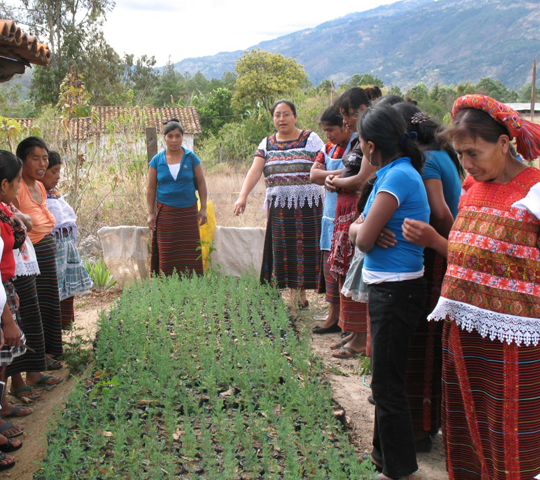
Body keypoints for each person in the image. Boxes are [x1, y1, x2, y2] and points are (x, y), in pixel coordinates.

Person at [402, 95, 540, 480]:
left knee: (510, 429)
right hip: (464, 332)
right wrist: (434, 241)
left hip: (516, 341)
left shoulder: (536, 192)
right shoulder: (472, 187)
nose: (467, 163)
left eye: (474, 153)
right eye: (460, 154)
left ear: (503, 143)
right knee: (465, 423)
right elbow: (467, 255)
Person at [349, 105, 430, 480]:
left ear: (368, 146)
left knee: (387, 385)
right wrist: (360, 229)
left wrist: (360, 230)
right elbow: (362, 230)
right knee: (385, 380)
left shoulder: (397, 177)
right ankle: (384, 459)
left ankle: (398, 471)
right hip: (393, 289)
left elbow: (363, 237)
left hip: (397, 292)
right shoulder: (393, 173)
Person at [391, 102, 463, 451]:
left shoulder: (427, 160)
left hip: (436, 258)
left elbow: (441, 212)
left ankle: (420, 430)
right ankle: (427, 424)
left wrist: (447, 249)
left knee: (421, 345)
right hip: (442, 255)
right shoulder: (440, 154)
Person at [234, 100, 324, 313]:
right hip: (280, 208)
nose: (281, 119)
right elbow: (254, 171)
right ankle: (297, 296)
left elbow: (324, 163)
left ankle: (295, 298)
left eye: (286, 114)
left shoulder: (311, 139)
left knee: (304, 251)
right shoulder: (266, 143)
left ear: (295, 116)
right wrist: (242, 196)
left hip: (308, 206)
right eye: (277, 115)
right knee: (285, 251)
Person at [325, 88, 379, 357]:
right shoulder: (358, 141)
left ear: (362, 110)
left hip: (355, 212)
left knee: (355, 273)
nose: (344, 120)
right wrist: (333, 177)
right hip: (345, 212)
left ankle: (359, 339)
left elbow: (361, 179)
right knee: (347, 273)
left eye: (347, 115)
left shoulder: (370, 141)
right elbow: (351, 170)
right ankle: (352, 333)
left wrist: (334, 182)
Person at [12, 137, 63, 392]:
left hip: (42, 249)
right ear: (22, 160)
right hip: (25, 257)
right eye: (36, 158)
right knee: (28, 311)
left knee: (44, 306)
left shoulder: (39, 186)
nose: (42, 164)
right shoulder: (16, 186)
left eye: (45, 158)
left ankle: (40, 359)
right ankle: (27, 372)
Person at [147, 120, 208, 277]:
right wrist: (150, 213)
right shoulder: (156, 161)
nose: (174, 140)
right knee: (167, 250)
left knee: (189, 250)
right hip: (166, 213)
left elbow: (201, 182)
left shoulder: (191, 158)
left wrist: (203, 209)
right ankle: (166, 286)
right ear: (165, 138)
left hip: (188, 212)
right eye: (170, 136)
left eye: (178, 136)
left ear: (183, 138)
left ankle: (191, 285)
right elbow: (151, 188)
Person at [41, 151, 93, 329]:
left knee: (66, 290)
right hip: (52, 250)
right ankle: (54, 332)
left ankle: (66, 328)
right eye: (53, 171)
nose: (57, 176)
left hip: (65, 248)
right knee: (53, 290)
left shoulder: (54, 193)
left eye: (58, 171)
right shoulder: (37, 195)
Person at [310, 105, 350, 333]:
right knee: (329, 267)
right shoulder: (328, 148)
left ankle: (344, 318)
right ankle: (333, 315)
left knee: (343, 267)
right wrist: (333, 175)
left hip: (347, 216)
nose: (328, 135)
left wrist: (328, 176)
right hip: (329, 216)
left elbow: (354, 172)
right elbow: (314, 175)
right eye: (325, 130)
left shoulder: (355, 146)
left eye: (331, 129)